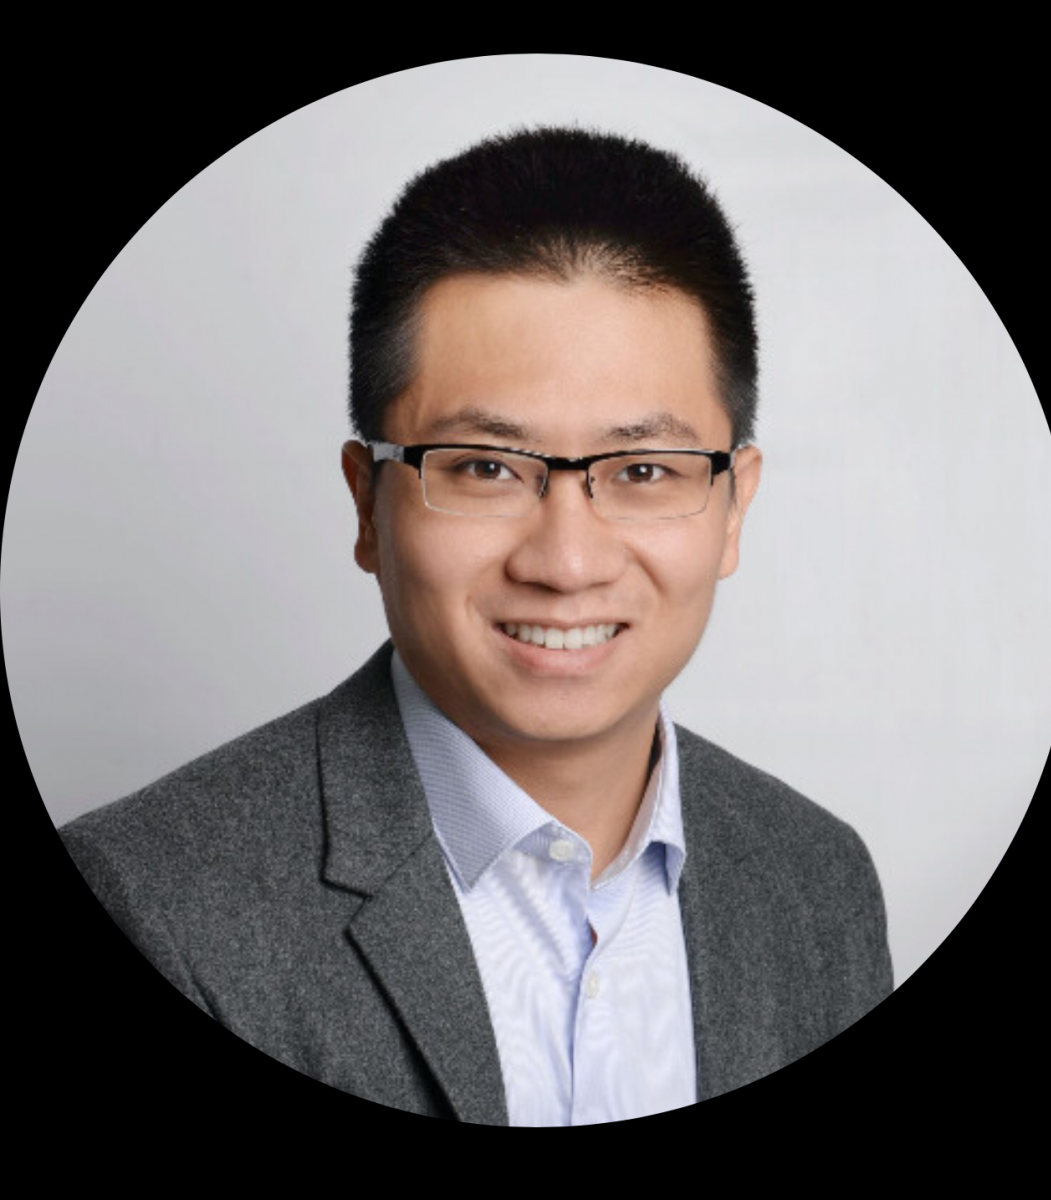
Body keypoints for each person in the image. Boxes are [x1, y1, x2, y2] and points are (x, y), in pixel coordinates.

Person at [59, 126, 893, 1125]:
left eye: (642, 472)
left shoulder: (819, 881)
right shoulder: (156, 906)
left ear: (733, 509)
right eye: (486, 467)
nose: (567, 562)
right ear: (369, 506)